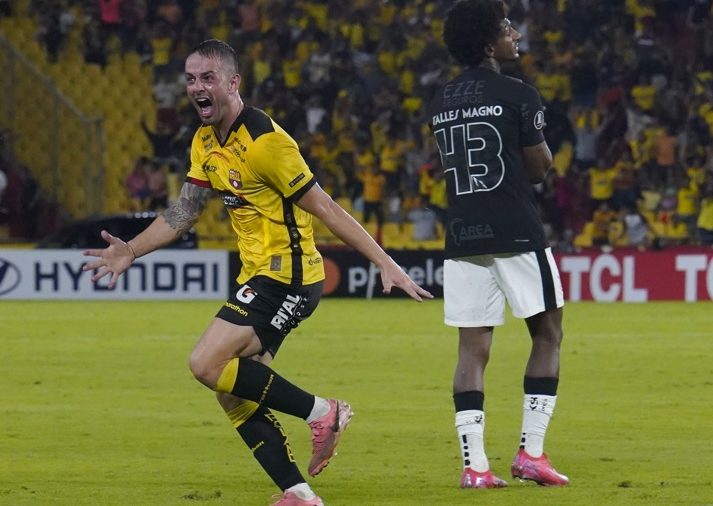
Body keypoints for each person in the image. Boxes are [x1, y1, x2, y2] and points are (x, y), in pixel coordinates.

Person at [83, 39, 433, 506]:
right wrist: (130, 249)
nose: (196, 87)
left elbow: (326, 207)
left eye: (207, 78)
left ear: (233, 82)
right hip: (258, 277)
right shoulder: (205, 141)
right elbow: (183, 213)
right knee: (233, 392)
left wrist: (384, 261)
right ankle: (299, 493)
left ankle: (323, 412)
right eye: (190, 78)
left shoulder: (267, 143)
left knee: (205, 363)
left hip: (288, 276)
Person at [428, 0, 569, 489]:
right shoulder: (517, 93)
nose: (516, 33)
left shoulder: (441, 100)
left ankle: (475, 466)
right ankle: (531, 453)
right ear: (489, 43)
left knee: (472, 350)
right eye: (507, 27)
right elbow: (538, 168)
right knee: (548, 333)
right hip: (515, 229)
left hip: (463, 234)